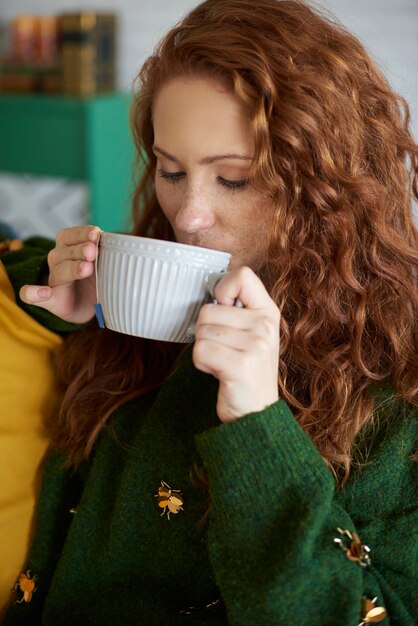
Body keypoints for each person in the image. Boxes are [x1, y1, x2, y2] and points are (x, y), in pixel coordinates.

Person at [3, 0, 417, 624]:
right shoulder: (142, 305)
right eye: (170, 171)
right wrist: (58, 301)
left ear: (331, 183)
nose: (188, 215)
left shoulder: (395, 393)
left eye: (236, 179)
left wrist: (258, 426)